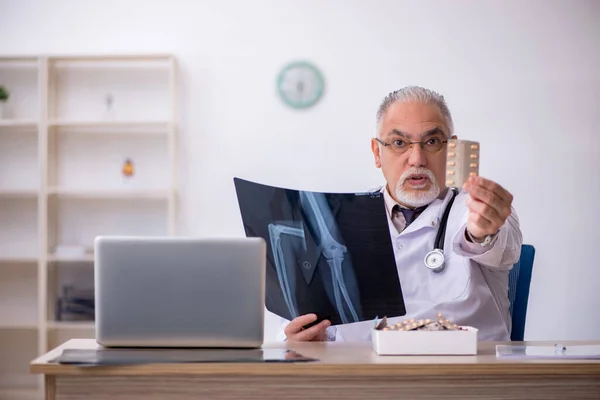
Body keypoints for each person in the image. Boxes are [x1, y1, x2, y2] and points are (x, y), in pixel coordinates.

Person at [280, 86, 523, 342]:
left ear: (451, 150)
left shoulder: (477, 209)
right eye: (399, 143)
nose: (417, 159)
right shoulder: (334, 219)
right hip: (362, 375)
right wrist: (308, 337)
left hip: (459, 374)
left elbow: (498, 244)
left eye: (431, 142)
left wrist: (481, 233)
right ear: (377, 153)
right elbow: (307, 321)